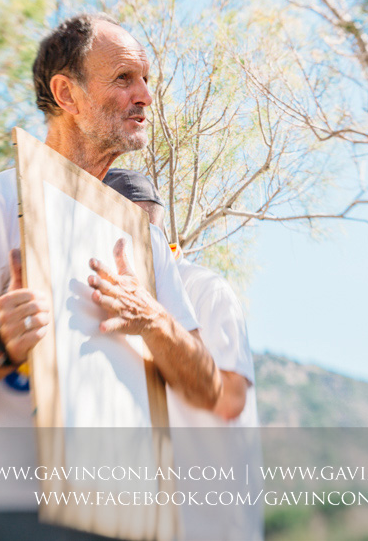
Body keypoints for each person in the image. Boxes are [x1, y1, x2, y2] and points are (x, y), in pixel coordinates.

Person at [0, 13, 222, 541]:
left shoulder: (147, 241)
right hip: (20, 513)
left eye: (147, 81)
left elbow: (206, 386)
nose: (146, 96)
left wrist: (153, 319)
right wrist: (0, 345)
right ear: (67, 93)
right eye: (125, 78)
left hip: (131, 516)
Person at [103, 168, 264, 541]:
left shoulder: (206, 290)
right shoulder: (109, 297)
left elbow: (230, 398)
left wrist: (159, 329)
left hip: (212, 525)